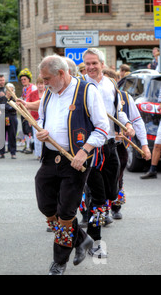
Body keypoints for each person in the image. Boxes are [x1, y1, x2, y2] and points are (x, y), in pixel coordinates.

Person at [35, 55, 110, 275]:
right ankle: (82, 239)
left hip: (76, 161)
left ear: (61, 73)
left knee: (66, 213)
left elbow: (102, 128)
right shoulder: (48, 94)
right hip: (50, 157)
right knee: (46, 206)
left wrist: (84, 151)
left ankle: (59, 261)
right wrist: (41, 130)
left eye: (47, 79)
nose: (44, 83)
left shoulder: (87, 91)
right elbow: (40, 118)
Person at [82, 48, 135, 259]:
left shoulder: (110, 85)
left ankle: (96, 210)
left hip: (111, 145)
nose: (91, 67)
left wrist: (128, 124)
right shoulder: (81, 86)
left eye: (95, 63)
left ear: (103, 64)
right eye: (88, 64)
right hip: (91, 147)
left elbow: (117, 111)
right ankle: (94, 241)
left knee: (112, 194)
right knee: (99, 197)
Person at [113, 89, 152, 219]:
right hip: (99, 144)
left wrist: (144, 145)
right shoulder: (93, 94)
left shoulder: (124, 96)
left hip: (120, 145)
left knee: (118, 175)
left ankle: (115, 206)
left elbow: (137, 120)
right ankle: (97, 209)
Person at [18, 68, 37, 154]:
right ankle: (27, 145)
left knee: (30, 129)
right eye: (22, 80)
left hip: (30, 111)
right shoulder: (24, 89)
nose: (23, 81)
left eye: (24, 79)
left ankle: (31, 147)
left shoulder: (33, 87)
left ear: (29, 79)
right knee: (25, 129)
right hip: (24, 110)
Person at [0, 83, 18, 159]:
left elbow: (15, 108)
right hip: (2, 117)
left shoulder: (15, 99)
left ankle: (13, 152)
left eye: (11, 90)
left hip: (12, 117)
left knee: (12, 135)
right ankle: (1, 152)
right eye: (8, 90)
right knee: (1, 135)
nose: (9, 92)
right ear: (6, 91)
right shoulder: (1, 99)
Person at [28, 77, 45, 159]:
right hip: (35, 118)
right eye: (38, 84)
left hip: (45, 119)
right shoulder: (32, 94)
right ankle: (39, 154)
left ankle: (44, 153)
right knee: (37, 137)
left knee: (45, 137)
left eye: (41, 84)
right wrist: (29, 118)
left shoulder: (48, 93)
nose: (40, 86)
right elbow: (28, 106)